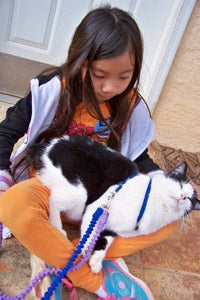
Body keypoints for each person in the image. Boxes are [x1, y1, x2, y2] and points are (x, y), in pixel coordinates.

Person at [0, 5, 178, 299]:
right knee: (12, 204)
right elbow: (6, 132)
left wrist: (164, 184)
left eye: (124, 77)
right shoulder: (53, 90)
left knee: (170, 215)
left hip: (100, 204)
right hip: (48, 195)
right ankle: (91, 276)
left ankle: (57, 252)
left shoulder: (129, 107)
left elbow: (137, 158)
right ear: (80, 60)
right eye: (99, 75)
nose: (111, 87)